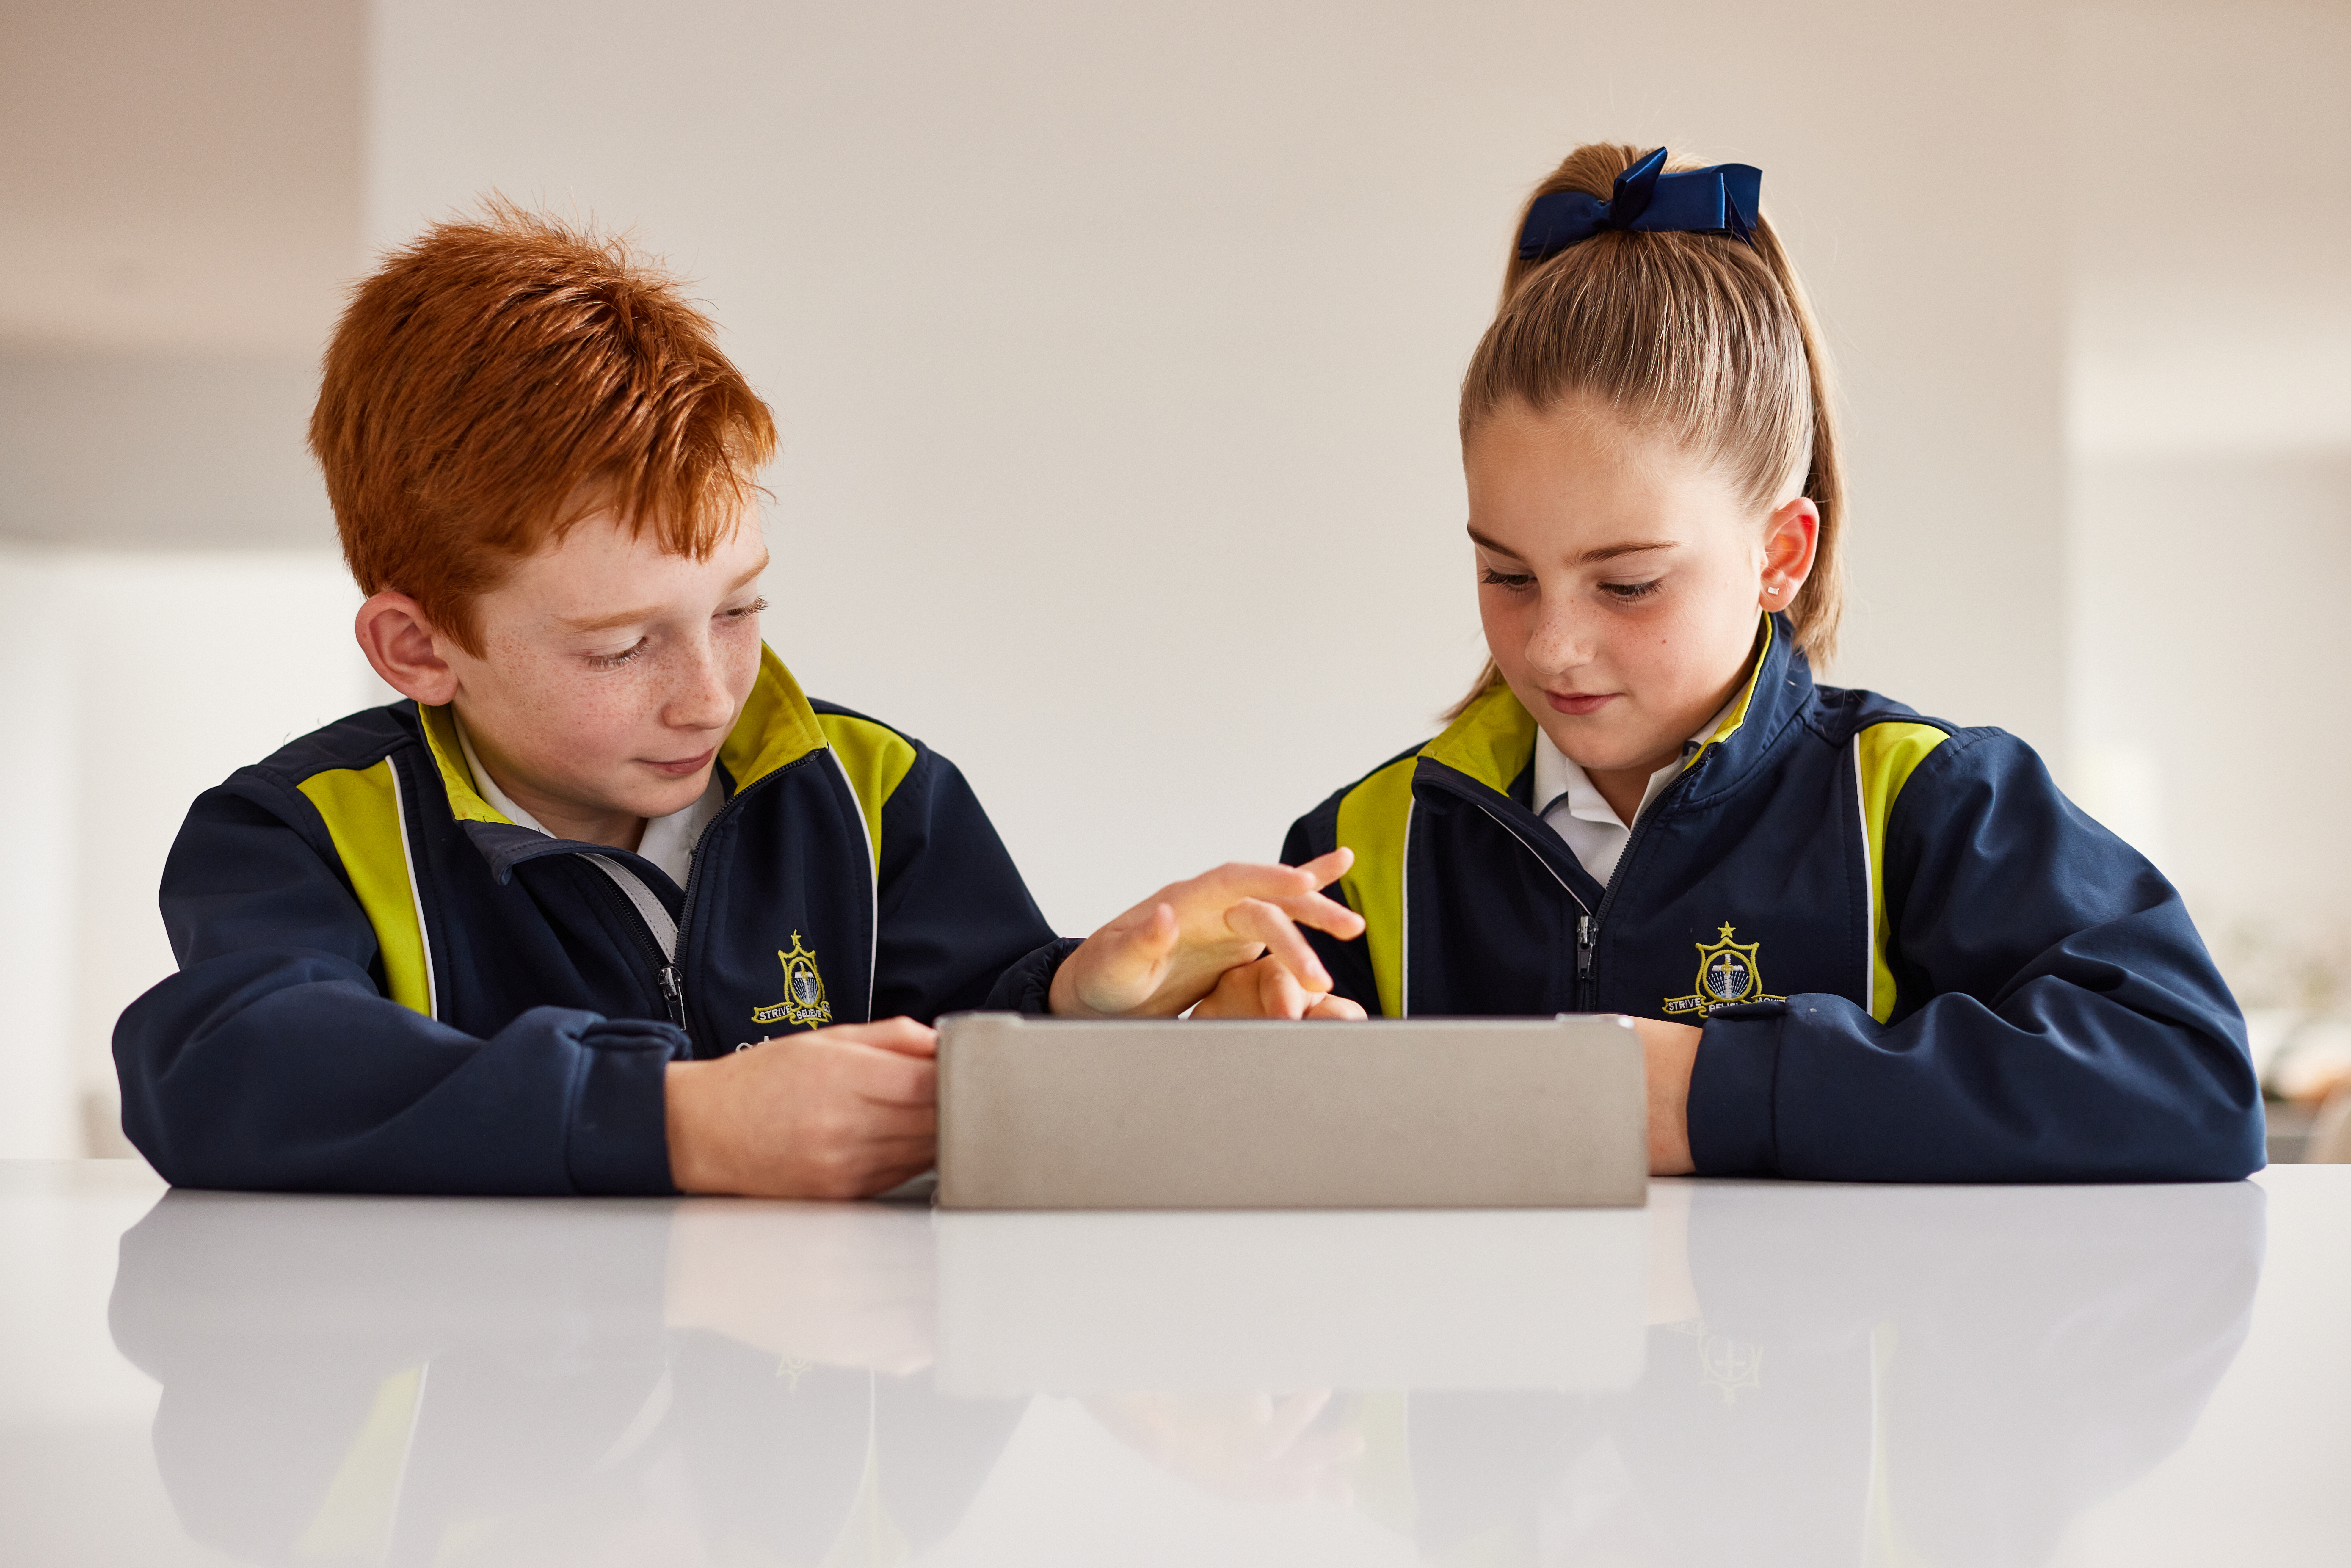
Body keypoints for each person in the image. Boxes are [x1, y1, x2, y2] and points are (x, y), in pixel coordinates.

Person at [113, 204, 1359, 1199]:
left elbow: (969, 1069)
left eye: (739, 608)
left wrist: (1076, 1003)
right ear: (419, 646)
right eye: (619, 648)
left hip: (796, 1476)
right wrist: (677, 1119)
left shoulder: (879, 798)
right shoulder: (297, 835)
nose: (709, 693)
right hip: (485, 1480)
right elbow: (224, 1069)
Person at [1171, 144, 2264, 1181]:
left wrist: (1706, 1093)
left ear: (1779, 555)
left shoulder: (1925, 802)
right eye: (1506, 576)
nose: (1550, 646)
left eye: (1629, 583)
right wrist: (1238, 1083)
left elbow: (2190, 1079)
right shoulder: (1359, 850)